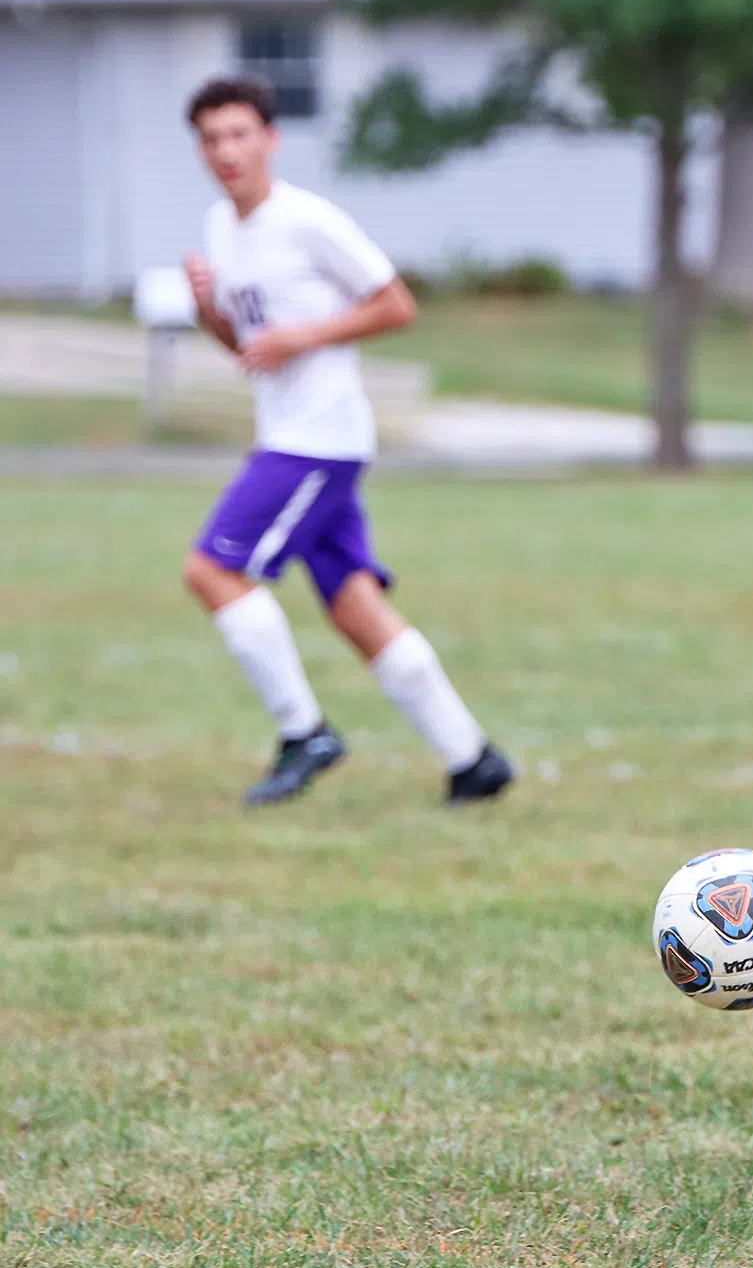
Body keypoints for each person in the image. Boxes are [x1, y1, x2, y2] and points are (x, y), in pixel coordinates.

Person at [180, 76, 512, 807]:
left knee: (212, 570)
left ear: (270, 139)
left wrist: (307, 335)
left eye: (240, 134)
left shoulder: (307, 220)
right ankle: (472, 758)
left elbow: (396, 304)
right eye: (211, 138)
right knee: (354, 605)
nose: (226, 151)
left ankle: (304, 732)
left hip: (318, 439)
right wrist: (208, 309)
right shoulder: (219, 228)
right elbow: (248, 345)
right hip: (288, 429)